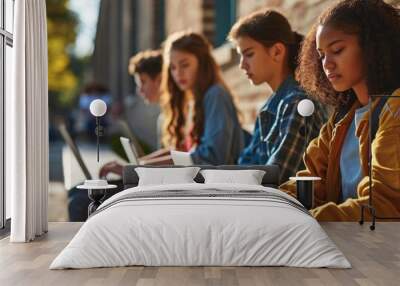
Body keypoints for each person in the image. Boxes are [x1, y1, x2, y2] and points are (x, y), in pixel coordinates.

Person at [280, 0, 400, 221]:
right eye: (322, 54)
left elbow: (385, 204)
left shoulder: (395, 109)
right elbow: (311, 181)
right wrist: (272, 203)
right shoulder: (342, 117)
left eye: (337, 50)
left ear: (373, 46)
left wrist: (308, 222)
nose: (327, 63)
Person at [228, 9, 327, 183]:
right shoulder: (272, 106)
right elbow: (245, 164)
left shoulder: (297, 103)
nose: (242, 65)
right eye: (240, 56)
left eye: (249, 54)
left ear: (277, 52)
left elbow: (279, 177)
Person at [153, 31, 244, 165]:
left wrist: (144, 166)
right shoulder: (190, 102)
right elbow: (181, 153)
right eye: (173, 67)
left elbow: (214, 157)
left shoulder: (216, 95)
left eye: (185, 65)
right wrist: (140, 164)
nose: (178, 73)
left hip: (222, 184)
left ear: (202, 64)